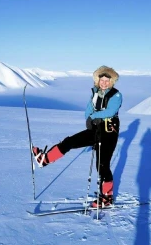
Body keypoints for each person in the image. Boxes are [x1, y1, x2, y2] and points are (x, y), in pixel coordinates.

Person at [32, 65, 122, 208]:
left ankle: (107, 198)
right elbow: (89, 110)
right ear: (97, 81)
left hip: (108, 132)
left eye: (107, 80)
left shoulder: (116, 95)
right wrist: (89, 119)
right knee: (70, 141)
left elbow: (110, 112)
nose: (104, 82)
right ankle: (45, 159)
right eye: (102, 79)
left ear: (111, 82)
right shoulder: (95, 93)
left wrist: (94, 117)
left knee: (102, 166)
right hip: (96, 128)